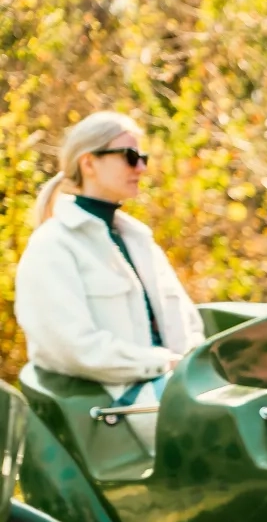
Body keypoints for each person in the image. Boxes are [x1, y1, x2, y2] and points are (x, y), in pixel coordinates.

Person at [15, 111, 205, 447]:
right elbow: (71, 347)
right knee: (226, 423)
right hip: (116, 406)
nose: (141, 168)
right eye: (130, 157)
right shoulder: (53, 245)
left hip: (176, 388)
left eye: (142, 158)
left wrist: (191, 368)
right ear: (89, 163)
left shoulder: (139, 240)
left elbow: (186, 322)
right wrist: (160, 364)